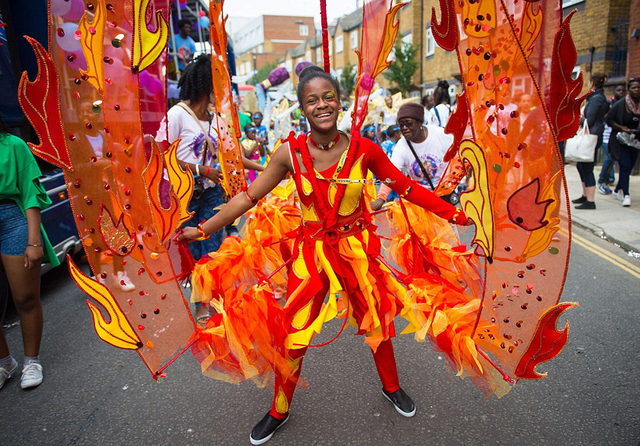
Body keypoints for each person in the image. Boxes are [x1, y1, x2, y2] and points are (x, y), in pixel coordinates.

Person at [178, 66, 469, 445]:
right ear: (302, 109)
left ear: (340, 102)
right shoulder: (289, 154)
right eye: (312, 100)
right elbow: (248, 196)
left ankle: (392, 386)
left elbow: (409, 189)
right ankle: (279, 409)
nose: (322, 105)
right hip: (311, 256)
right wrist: (203, 229)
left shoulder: (366, 149)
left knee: (376, 321)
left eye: (328, 97)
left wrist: (459, 214)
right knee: (295, 335)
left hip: (357, 253)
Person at [0, 115, 60, 390]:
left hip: (12, 221)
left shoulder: (13, 144)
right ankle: (4, 362)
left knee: (25, 298)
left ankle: (31, 361)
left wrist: (34, 242)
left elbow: (30, 194)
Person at [371, 103, 453, 211]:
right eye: (401, 125)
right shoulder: (401, 146)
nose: (404, 128)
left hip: (445, 197)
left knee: (447, 228)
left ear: (420, 123)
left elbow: (460, 156)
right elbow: (391, 172)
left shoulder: (441, 135)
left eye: (409, 124)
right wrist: (381, 198)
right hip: (420, 200)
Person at [572, 73, 609, 210]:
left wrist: (576, 118)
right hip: (590, 136)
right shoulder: (594, 97)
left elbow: (590, 120)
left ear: (592, 83)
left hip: (591, 137)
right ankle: (585, 195)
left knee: (587, 168)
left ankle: (590, 201)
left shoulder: (596, 99)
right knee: (581, 166)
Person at [606, 78, 640, 207]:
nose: (636, 90)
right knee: (624, 166)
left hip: (636, 140)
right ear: (629, 90)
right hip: (621, 140)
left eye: (638, 88)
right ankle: (626, 194)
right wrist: (621, 127)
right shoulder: (620, 104)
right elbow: (609, 119)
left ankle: (617, 189)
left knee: (630, 166)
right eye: (633, 88)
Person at [597, 83, 626, 194]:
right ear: (614, 92)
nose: (621, 93)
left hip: (617, 137)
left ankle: (609, 178)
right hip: (605, 136)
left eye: (623, 91)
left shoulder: (626, 105)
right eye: (619, 90)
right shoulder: (608, 104)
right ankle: (601, 181)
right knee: (609, 157)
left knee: (613, 158)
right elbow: (604, 118)